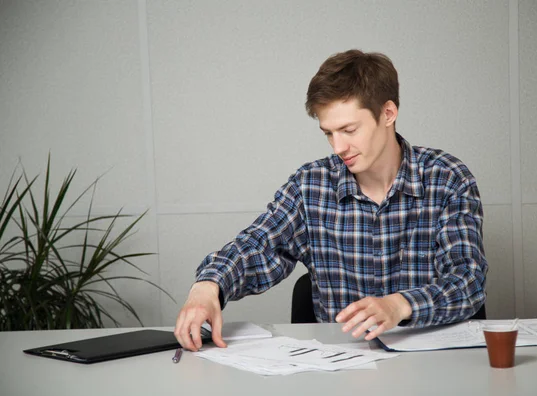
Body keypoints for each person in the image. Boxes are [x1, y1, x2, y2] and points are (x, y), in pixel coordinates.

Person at [175, 49, 488, 351]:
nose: (339, 147)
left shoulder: (447, 179)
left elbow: (468, 279)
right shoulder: (311, 185)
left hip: (433, 364)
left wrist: (399, 305)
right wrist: (207, 287)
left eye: (349, 130)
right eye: (328, 133)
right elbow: (259, 244)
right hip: (342, 366)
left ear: (388, 113)